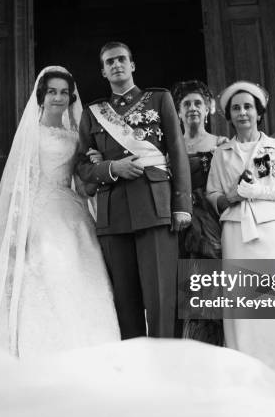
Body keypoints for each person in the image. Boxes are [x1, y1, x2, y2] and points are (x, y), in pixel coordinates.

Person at [0, 66, 120, 356]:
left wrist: (95, 173)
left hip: (71, 209)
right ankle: (44, 346)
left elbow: (82, 185)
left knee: (83, 271)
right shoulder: (32, 134)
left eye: (64, 92)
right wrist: (19, 226)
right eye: (52, 92)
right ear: (42, 96)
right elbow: (22, 182)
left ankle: (90, 344)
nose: (58, 98)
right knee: (49, 268)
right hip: (39, 211)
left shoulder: (76, 136)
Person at [76, 42, 192, 339]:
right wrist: (113, 169)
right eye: (109, 62)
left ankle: (165, 365)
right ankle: (133, 372)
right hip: (113, 212)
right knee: (124, 301)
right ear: (103, 71)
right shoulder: (93, 113)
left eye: (121, 60)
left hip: (156, 207)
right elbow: (81, 166)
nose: (116, 65)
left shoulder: (159, 99)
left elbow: (177, 152)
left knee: (161, 297)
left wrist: (182, 206)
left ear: (132, 65)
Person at [206, 81, 275, 381]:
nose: (242, 113)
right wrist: (231, 197)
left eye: (248, 107)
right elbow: (212, 195)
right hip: (236, 232)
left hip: (273, 232)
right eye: (236, 108)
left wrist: (262, 192)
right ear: (229, 115)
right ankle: (247, 377)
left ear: (258, 112)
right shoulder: (222, 153)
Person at [171, 80, 225, 345]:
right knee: (180, 292)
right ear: (178, 112)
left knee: (209, 293)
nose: (192, 108)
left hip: (210, 229)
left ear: (208, 110)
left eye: (198, 103)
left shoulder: (222, 144)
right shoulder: (168, 148)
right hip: (178, 228)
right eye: (186, 104)